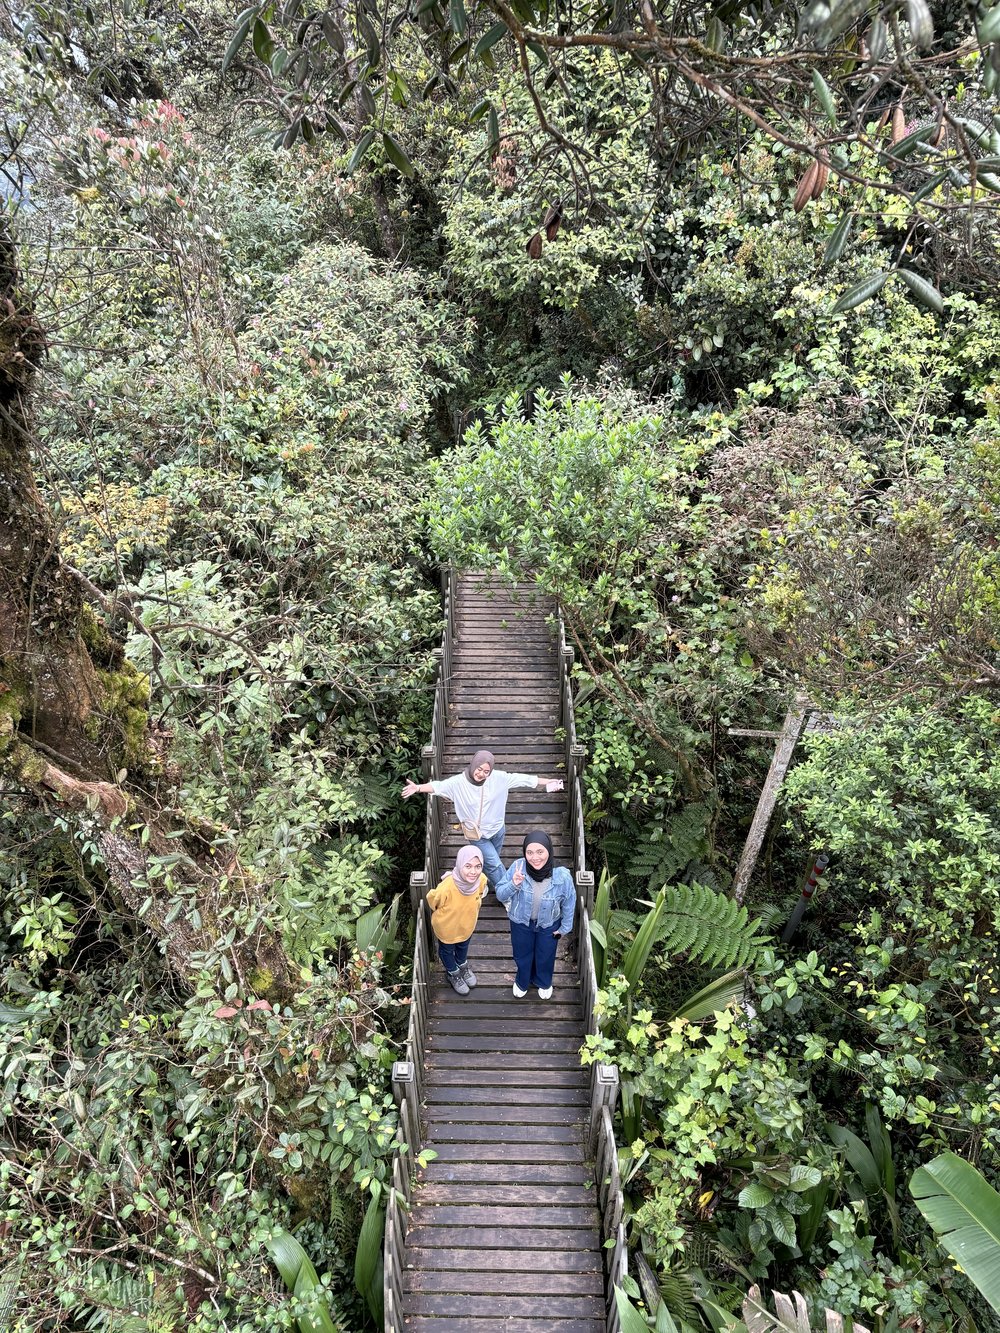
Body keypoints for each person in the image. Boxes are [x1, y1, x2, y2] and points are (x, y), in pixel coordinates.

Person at [401, 749, 564, 888]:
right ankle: (509, 893)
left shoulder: (500, 778)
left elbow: (527, 780)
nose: (481, 774)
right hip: (476, 834)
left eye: (486, 771)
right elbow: (437, 786)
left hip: (498, 830)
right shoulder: (458, 783)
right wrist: (418, 788)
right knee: (495, 865)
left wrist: (548, 781)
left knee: (488, 863)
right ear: (473, 765)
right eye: (479, 769)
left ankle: (482, 884)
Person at [496, 831, 576, 1000]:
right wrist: (513, 884)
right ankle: (522, 980)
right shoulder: (518, 867)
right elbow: (500, 894)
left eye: (540, 852)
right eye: (530, 852)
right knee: (521, 953)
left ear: (549, 850)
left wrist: (565, 927)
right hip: (521, 922)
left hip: (549, 924)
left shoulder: (562, 875)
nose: (535, 857)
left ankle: (544, 981)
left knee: (545, 954)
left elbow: (569, 902)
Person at [426, 845, 489, 996]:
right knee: (447, 951)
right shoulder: (447, 887)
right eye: (468, 866)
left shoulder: (481, 879)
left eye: (477, 866)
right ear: (460, 864)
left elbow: (480, 893)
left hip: (466, 926)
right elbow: (433, 900)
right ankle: (453, 972)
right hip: (447, 928)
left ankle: (462, 965)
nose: (473, 871)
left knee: (463, 946)